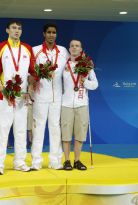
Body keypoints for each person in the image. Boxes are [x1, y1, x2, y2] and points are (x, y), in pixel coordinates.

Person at [0, 20, 34, 175]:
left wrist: (28, 90)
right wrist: (3, 90)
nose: (17, 30)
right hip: (5, 96)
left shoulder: (27, 49)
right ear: (7, 30)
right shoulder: (0, 48)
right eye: (14, 28)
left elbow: (32, 73)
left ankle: (20, 162)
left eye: (19, 28)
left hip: (22, 97)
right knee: (2, 130)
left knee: (21, 131)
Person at [30, 23, 69, 170]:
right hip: (40, 96)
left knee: (55, 129)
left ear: (56, 34)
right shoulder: (36, 51)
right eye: (49, 32)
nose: (51, 35)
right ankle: (36, 162)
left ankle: (55, 162)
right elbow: (30, 73)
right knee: (38, 129)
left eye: (54, 32)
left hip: (57, 96)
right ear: (44, 34)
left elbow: (69, 68)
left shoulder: (63, 51)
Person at [61, 40, 98, 170]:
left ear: (81, 48)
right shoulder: (64, 65)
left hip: (82, 104)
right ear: (69, 49)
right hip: (66, 104)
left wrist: (85, 82)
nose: (74, 48)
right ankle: (66, 161)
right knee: (65, 134)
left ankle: (77, 160)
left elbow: (95, 84)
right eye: (72, 46)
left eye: (77, 46)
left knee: (80, 134)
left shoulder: (87, 65)